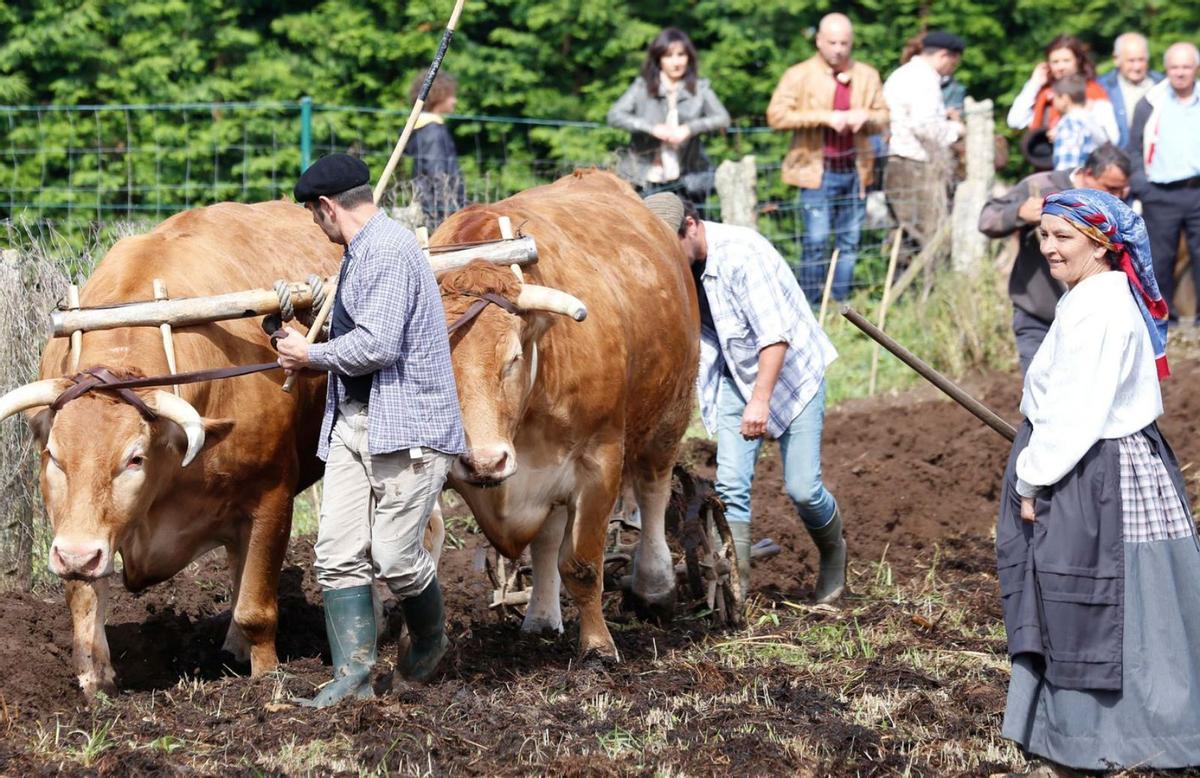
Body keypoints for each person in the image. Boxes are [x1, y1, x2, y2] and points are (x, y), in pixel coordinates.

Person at [997, 189, 1200, 773]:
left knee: (1108, 599)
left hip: (1097, 471)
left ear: (1102, 244)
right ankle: (1094, 732)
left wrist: (1032, 480)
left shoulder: (1100, 310)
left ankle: (1134, 735)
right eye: (1045, 236)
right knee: (1105, 600)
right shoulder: (1089, 298)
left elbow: (1078, 411)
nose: (1050, 248)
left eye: (1064, 237)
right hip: (1094, 462)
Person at [275, 153, 466, 706]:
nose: (317, 225)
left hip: (406, 428)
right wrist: (312, 328)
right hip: (352, 423)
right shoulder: (358, 254)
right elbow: (361, 327)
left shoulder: (388, 251)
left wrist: (310, 354)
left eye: (315, 215)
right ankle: (353, 678)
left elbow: (379, 345)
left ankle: (431, 638)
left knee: (394, 557)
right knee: (336, 553)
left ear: (328, 207)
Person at [643, 192, 846, 604]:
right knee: (732, 487)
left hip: (791, 374)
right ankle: (738, 591)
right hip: (737, 374)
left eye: (671, 248)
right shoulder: (679, 269)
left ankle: (834, 553)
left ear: (692, 227)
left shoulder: (741, 255)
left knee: (803, 488)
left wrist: (760, 401)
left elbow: (775, 337)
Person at [766, 13, 889, 303]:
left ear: (852, 43)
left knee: (849, 242)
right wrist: (825, 118)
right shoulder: (799, 75)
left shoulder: (867, 75)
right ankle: (809, 305)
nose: (838, 49)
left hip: (857, 170)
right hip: (815, 171)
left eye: (844, 43)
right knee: (816, 241)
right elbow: (776, 115)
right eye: (832, 42)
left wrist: (866, 116)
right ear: (819, 41)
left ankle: (841, 306)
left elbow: (884, 115)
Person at [978, 143, 1132, 374]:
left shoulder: (1112, 207)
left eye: (1122, 191)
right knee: (1039, 397)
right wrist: (1019, 213)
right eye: (1111, 188)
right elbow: (987, 219)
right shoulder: (1040, 187)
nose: (1117, 197)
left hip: (1093, 319)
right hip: (1040, 316)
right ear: (1087, 174)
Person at [607, 27, 730, 203]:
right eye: (668, 55)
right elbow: (614, 115)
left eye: (681, 54)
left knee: (690, 228)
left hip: (689, 179)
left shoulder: (700, 88)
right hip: (645, 177)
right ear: (659, 59)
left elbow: (722, 117)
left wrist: (689, 129)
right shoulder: (642, 87)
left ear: (689, 57)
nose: (676, 62)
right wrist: (652, 128)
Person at [1128, 42, 1200, 322]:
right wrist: (1142, 186)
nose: (1180, 73)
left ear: (1195, 68)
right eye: (1174, 67)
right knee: (1160, 258)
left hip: (1197, 189)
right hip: (1159, 192)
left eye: (1186, 67)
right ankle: (1162, 318)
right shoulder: (1150, 102)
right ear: (1166, 69)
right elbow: (1134, 148)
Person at [882, 30, 966, 254]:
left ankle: (904, 288)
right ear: (944, 56)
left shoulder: (905, 74)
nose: (952, 69)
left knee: (905, 239)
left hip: (901, 162)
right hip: (914, 166)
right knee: (931, 239)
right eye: (953, 62)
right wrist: (957, 130)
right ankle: (931, 288)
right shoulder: (924, 79)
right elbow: (926, 127)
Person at [1007, 35, 1119, 168]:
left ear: (1077, 61)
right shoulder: (1043, 93)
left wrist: (1066, 134)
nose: (1061, 67)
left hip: (1083, 168)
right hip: (1044, 167)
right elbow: (1015, 120)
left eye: (1066, 60)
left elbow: (1112, 138)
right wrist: (1034, 84)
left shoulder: (1093, 92)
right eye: (1055, 62)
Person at [405, 71, 466, 226]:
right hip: (439, 213)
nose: (455, 100)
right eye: (451, 95)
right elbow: (436, 175)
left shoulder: (426, 128)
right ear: (438, 96)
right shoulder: (432, 131)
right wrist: (448, 211)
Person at [1097, 32, 1164, 150]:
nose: (1137, 67)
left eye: (1141, 60)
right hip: (1119, 159)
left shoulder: (1162, 85)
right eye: (1131, 61)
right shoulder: (1102, 87)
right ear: (1116, 59)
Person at [1048, 76, 1101, 171]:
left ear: (1065, 99)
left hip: (1075, 182)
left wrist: (1063, 182)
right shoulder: (1090, 119)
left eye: (1055, 97)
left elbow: (1068, 164)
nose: (1053, 101)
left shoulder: (1070, 123)